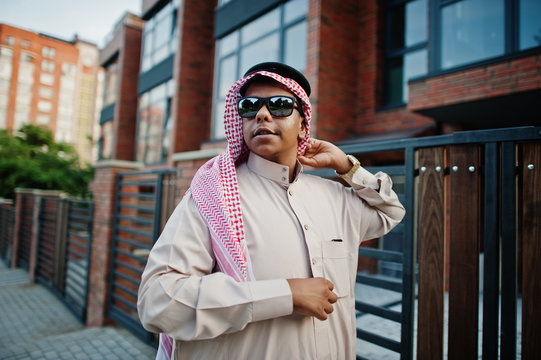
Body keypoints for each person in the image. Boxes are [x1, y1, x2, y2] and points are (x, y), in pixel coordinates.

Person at [137, 62, 405, 359]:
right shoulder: (213, 198)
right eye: (250, 107)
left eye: (279, 105)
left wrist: (347, 167)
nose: (262, 114)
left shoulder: (335, 197)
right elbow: (158, 302)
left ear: (304, 125)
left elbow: (391, 212)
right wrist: (284, 295)